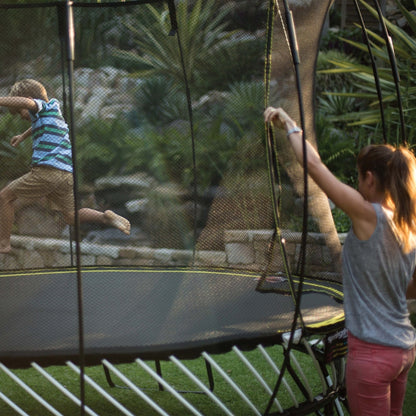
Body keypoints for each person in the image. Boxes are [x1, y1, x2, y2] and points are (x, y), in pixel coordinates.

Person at [264, 106, 416, 416]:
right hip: (403, 349)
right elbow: (411, 290)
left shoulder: (368, 214)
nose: (358, 185)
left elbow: (315, 167)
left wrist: (290, 125)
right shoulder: (408, 225)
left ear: (370, 179)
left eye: (359, 178)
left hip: (373, 354)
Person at [0, 79, 130, 254]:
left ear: (30, 99)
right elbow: (36, 124)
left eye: (21, 112)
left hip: (46, 172)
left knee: (5, 197)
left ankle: (4, 244)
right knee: (70, 216)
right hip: (65, 175)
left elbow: (26, 103)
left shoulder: (39, 106)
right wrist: (22, 136)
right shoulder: (53, 111)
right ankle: (105, 216)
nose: (22, 116)